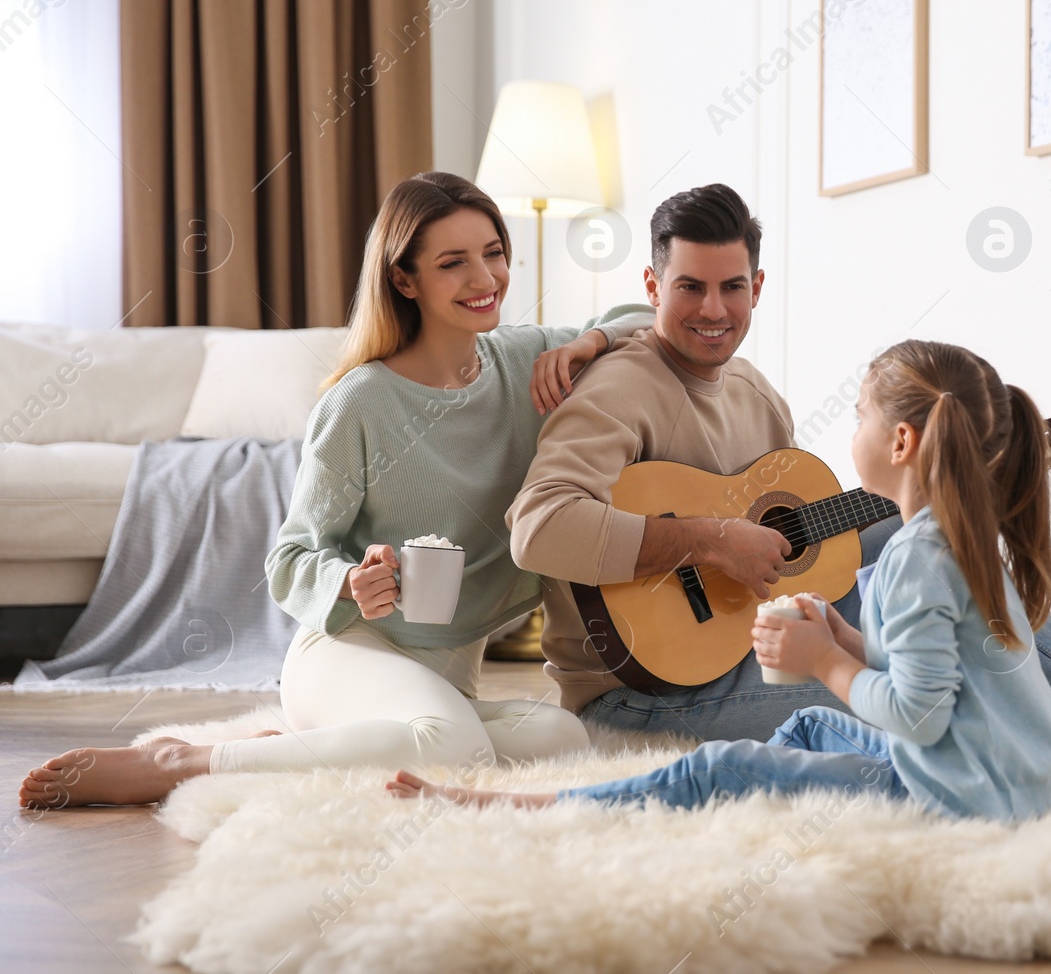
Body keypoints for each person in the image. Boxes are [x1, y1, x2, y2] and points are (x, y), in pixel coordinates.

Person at [502, 182, 1051, 804]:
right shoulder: (614, 385)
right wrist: (704, 539)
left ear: (758, 287)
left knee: (933, 547)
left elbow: (798, 541)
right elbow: (538, 530)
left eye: (732, 286)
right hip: (649, 691)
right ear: (652, 287)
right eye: (688, 286)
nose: (713, 308)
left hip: (740, 639)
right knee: (947, 708)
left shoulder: (756, 394)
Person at [19, 172, 654, 809]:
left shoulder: (530, 360)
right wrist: (350, 583)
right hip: (349, 653)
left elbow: (650, 319)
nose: (485, 279)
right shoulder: (361, 401)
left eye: (493, 253)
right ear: (404, 280)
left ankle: (303, 746)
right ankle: (186, 759)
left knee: (562, 737)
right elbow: (292, 556)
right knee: (454, 747)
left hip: (446, 675)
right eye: (453, 263)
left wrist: (591, 341)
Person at [391, 340, 1051, 819]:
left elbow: (920, 717)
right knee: (806, 721)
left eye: (861, 414)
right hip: (1016, 779)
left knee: (716, 767)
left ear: (900, 444)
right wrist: (850, 641)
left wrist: (825, 660)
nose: (852, 427)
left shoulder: (910, 558)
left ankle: (538, 806)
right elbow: (936, 679)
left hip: (961, 794)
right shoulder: (959, 541)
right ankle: (757, 798)